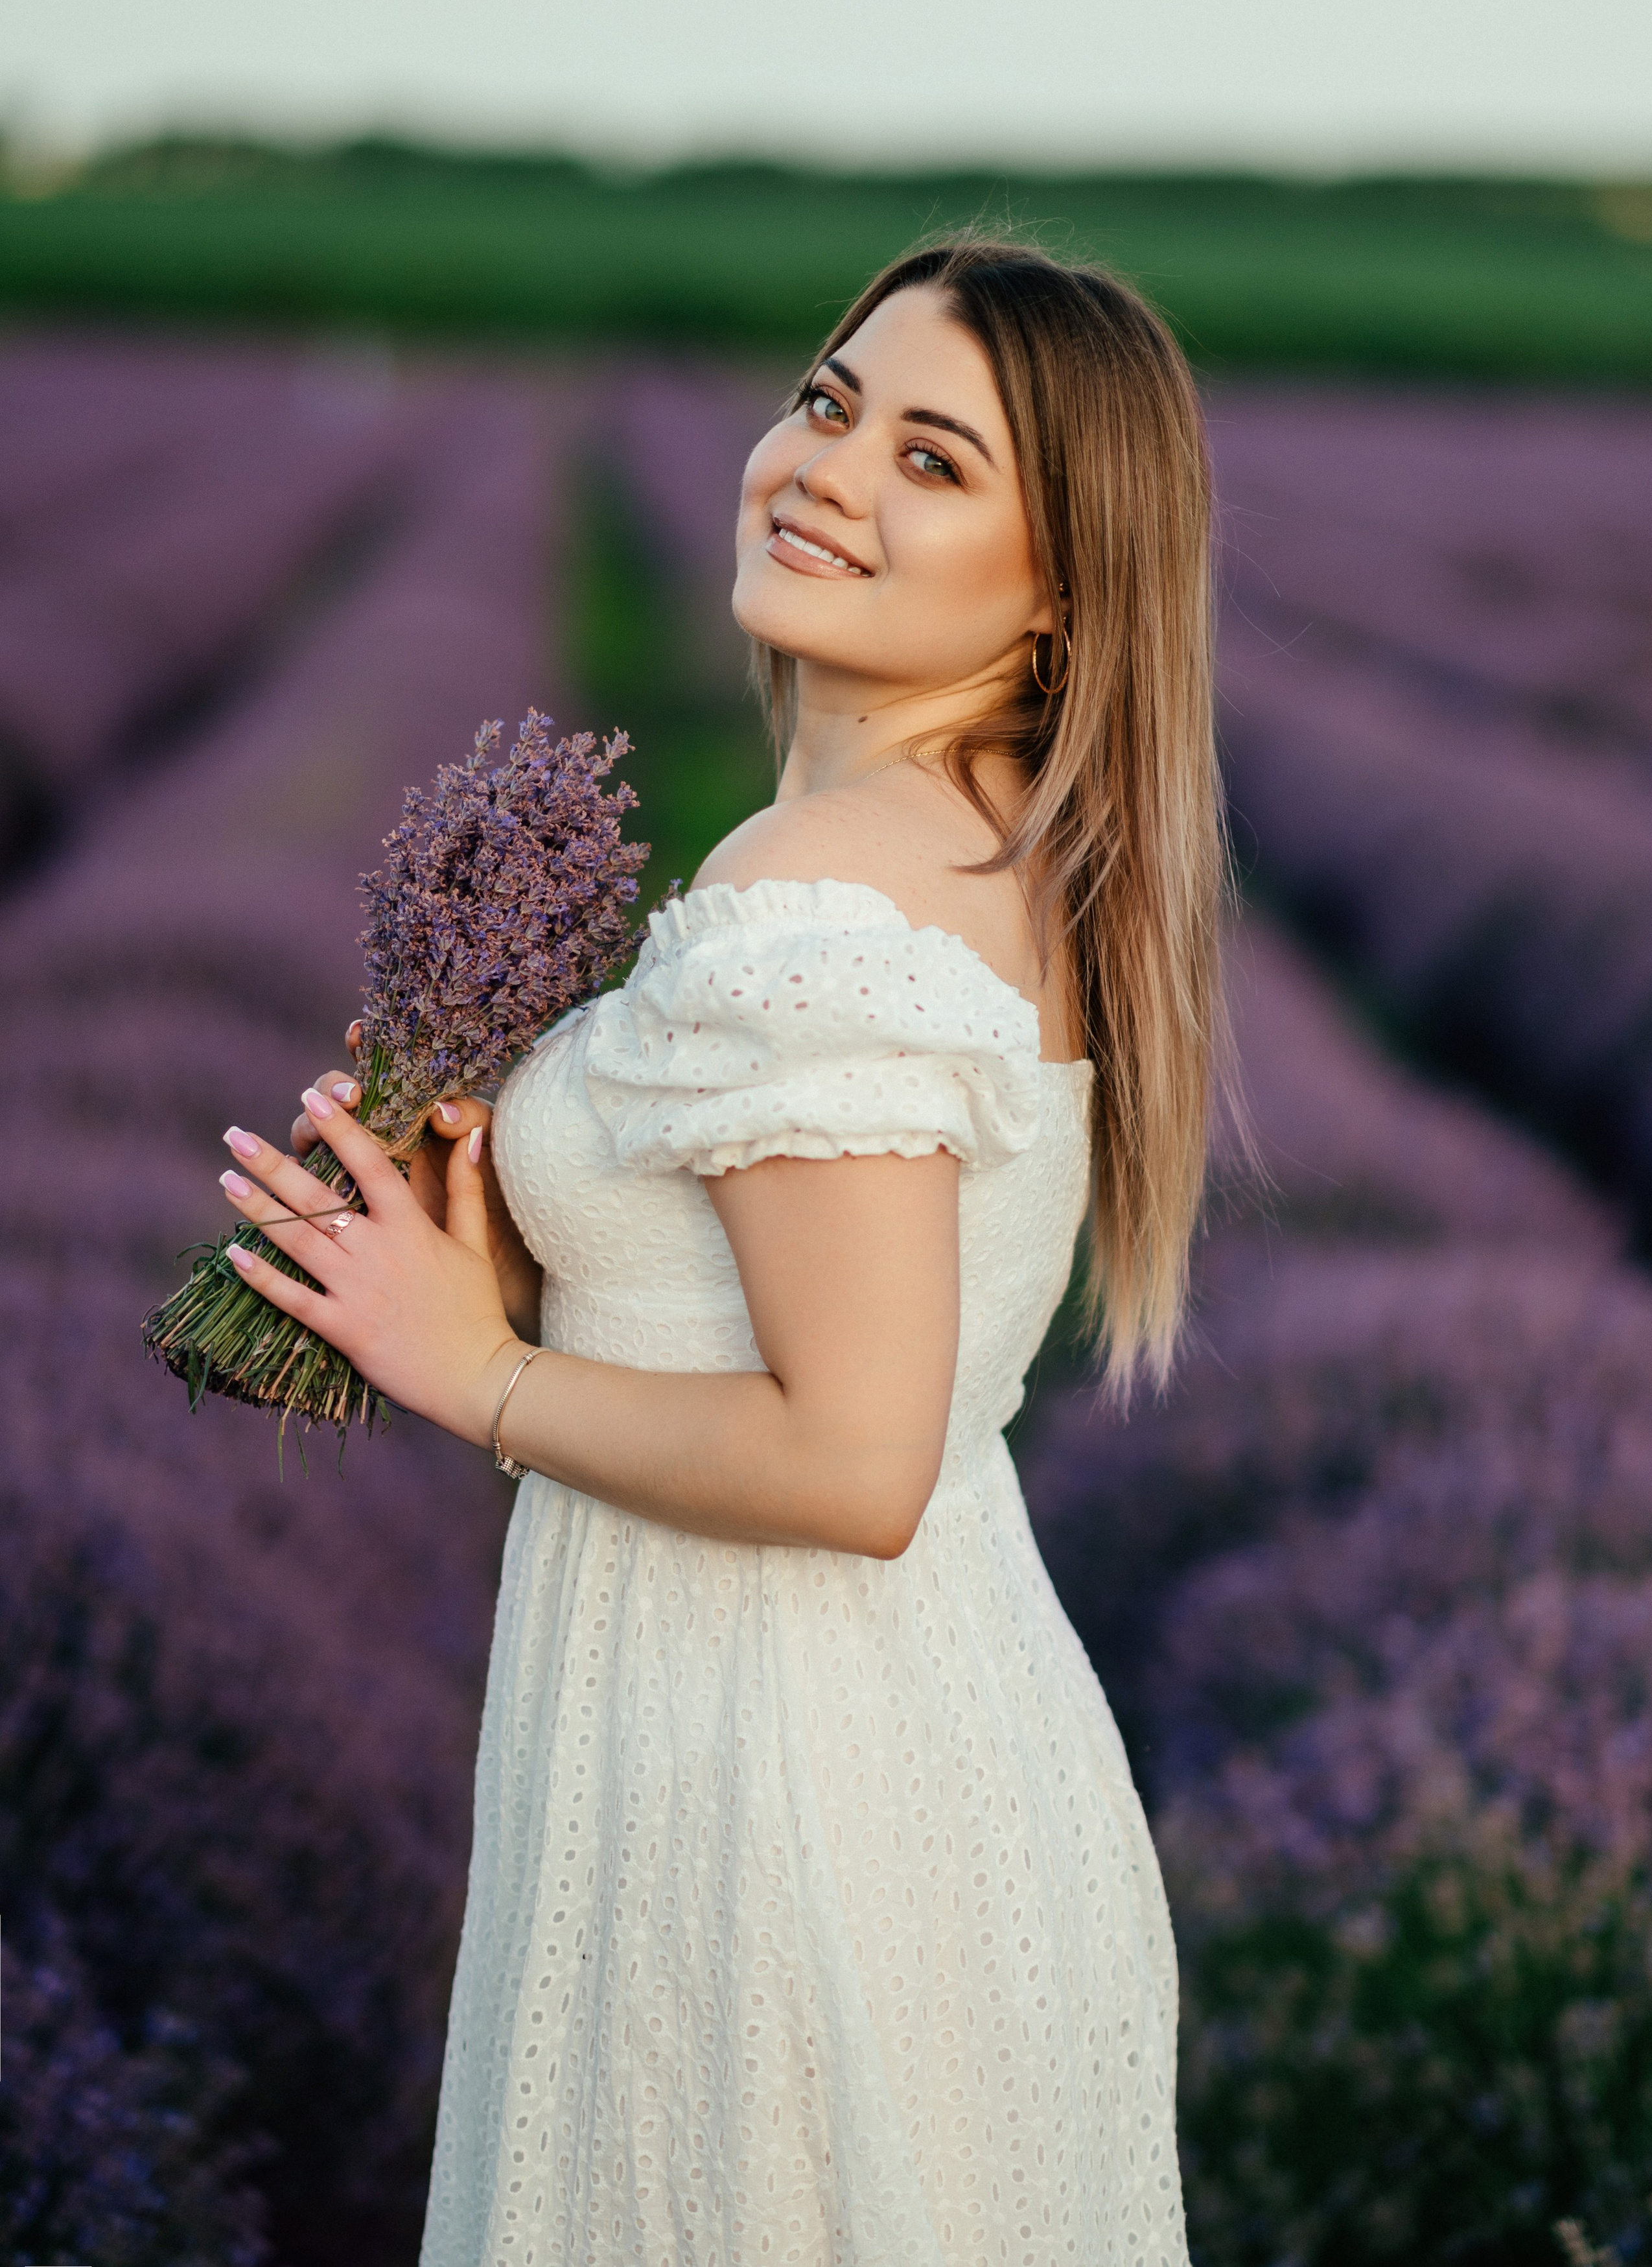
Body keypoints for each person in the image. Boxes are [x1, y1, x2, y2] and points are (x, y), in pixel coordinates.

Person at [218, 238, 1224, 2265]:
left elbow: (853, 1456)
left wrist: (475, 1368)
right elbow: (819, 1346)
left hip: (781, 1798)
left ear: (1056, 594)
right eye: (834, 402)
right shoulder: (989, 844)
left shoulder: (822, 882)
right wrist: (524, 1250)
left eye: (937, 461)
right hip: (898, 1748)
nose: (828, 469)